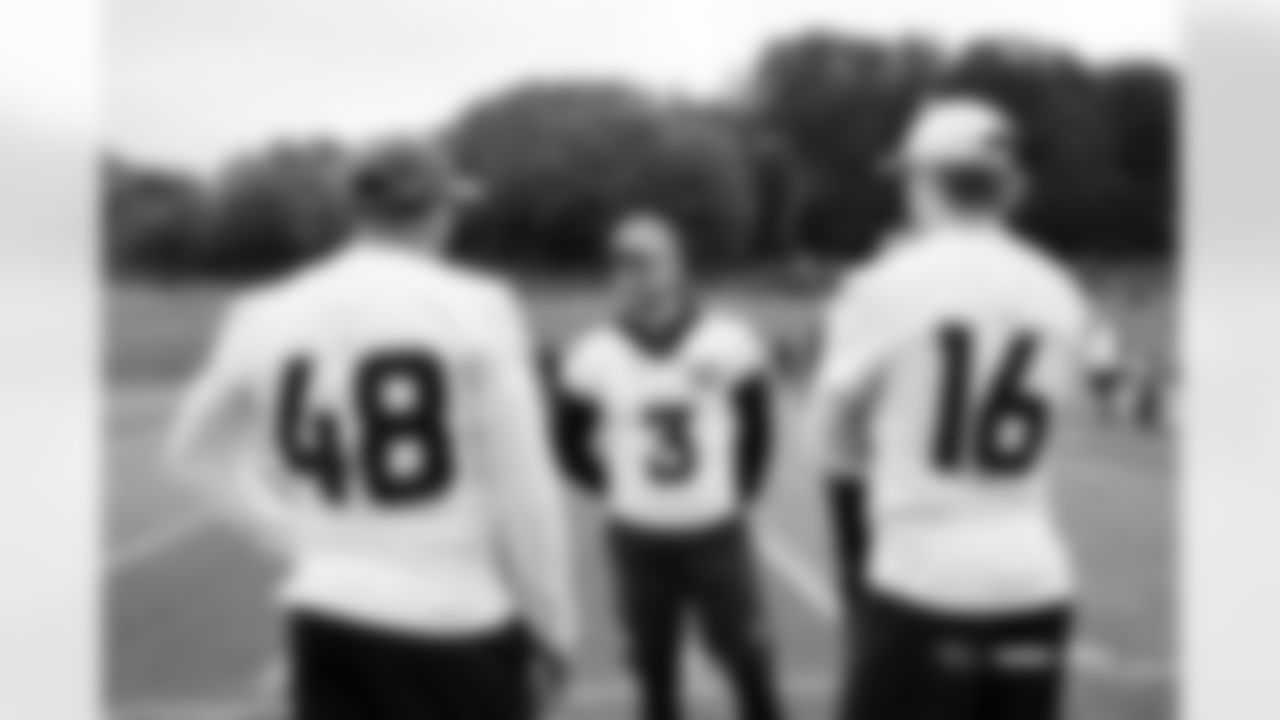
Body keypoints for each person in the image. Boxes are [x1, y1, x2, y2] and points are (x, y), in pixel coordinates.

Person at [167, 138, 577, 720]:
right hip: (451, 617)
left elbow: (191, 455)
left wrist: (303, 538)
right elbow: (525, 491)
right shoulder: (477, 307)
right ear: (439, 210)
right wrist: (554, 628)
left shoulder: (264, 313)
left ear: (356, 209)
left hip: (325, 615)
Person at [801, 96, 1122, 720]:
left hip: (924, 585)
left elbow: (828, 440)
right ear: (1010, 189)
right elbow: (1071, 408)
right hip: (1035, 582)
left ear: (922, 181)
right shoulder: (1058, 291)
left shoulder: (887, 286)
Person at [551, 210, 786, 720]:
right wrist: (619, 487)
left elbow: (759, 433)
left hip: (715, 532)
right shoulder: (593, 353)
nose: (636, 276)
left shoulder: (729, 340)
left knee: (750, 667)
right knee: (654, 675)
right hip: (639, 539)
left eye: (648, 262)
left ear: (678, 265)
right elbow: (566, 445)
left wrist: (732, 494)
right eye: (623, 264)